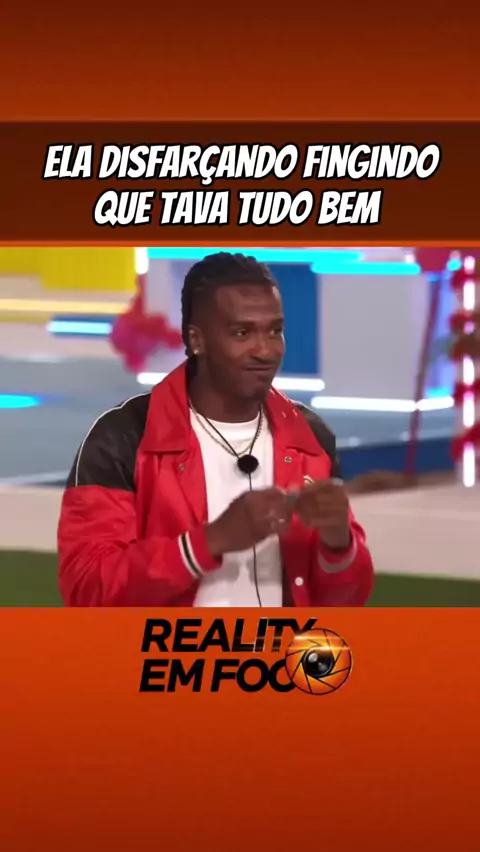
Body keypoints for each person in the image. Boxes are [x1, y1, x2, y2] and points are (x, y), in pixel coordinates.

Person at [58, 252, 374, 607]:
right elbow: (88, 590)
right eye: (242, 333)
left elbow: (345, 602)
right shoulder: (122, 438)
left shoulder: (311, 437)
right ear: (197, 340)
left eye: (275, 331)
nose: (265, 351)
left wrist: (339, 543)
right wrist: (209, 542)